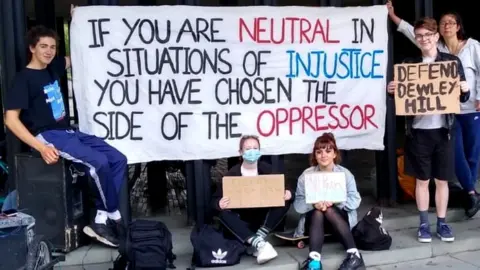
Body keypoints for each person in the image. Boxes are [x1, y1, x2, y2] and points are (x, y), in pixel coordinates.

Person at [4, 25, 127, 248]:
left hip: (69, 132)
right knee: (98, 163)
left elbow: (75, 55)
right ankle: (113, 215)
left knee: (118, 159)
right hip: (47, 135)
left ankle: (101, 217)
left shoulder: (53, 67)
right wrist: (40, 147)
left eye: (52, 47)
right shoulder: (24, 79)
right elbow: (10, 119)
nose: (49, 51)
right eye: (43, 46)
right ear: (32, 48)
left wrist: (78, 21)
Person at [387, 1, 480, 218]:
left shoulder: (471, 47)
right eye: (443, 23)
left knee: (472, 153)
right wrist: (394, 17)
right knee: (457, 155)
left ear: (458, 26)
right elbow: (415, 33)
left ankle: (469, 192)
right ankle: (471, 192)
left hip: (471, 107)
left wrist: (476, 95)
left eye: (451, 22)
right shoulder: (436, 50)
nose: (447, 26)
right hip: (449, 114)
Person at [210, 135, 294, 264]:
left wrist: (289, 193)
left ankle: (256, 240)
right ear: (241, 152)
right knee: (223, 212)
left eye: (255, 148)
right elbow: (214, 201)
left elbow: (287, 189)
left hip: (262, 220)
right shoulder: (232, 174)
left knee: (283, 199)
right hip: (241, 221)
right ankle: (261, 244)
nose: (252, 151)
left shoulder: (268, 169)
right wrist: (218, 203)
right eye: (248, 148)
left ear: (260, 151)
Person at [294, 133, 364, 270]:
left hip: (339, 221)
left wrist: (337, 202)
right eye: (319, 152)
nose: (323, 155)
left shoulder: (345, 174)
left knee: (329, 209)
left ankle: (354, 255)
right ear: (314, 155)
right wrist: (313, 204)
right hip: (315, 222)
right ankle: (314, 261)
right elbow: (298, 204)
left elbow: (355, 199)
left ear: (334, 154)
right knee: (319, 211)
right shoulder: (306, 176)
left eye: (328, 151)